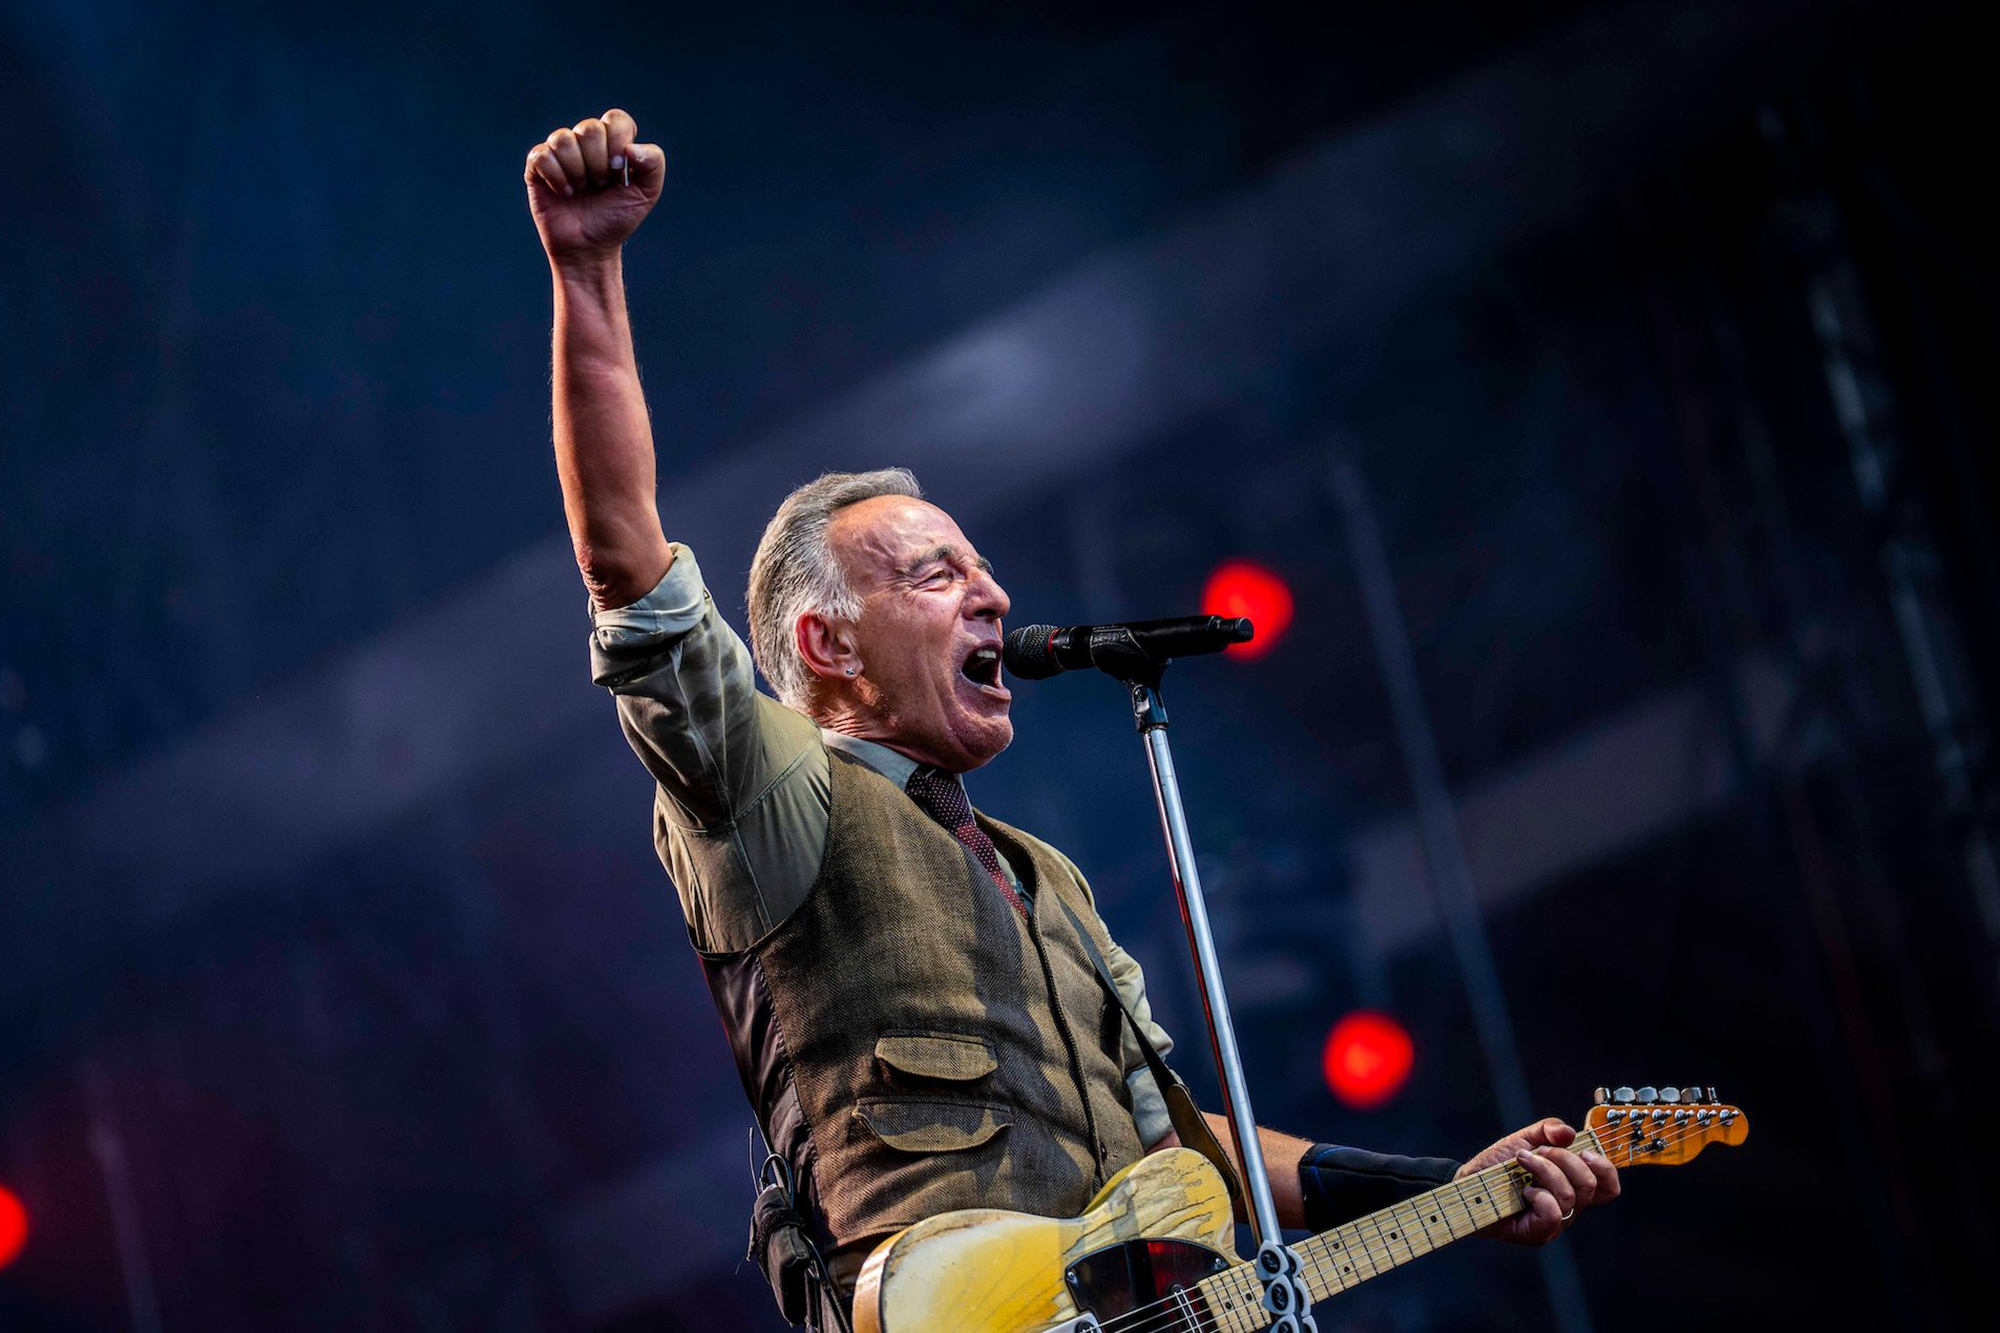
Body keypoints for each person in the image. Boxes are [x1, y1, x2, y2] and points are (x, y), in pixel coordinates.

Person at [524, 108, 1620, 1327]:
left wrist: (1450, 1187)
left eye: (983, 568)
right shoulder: (777, 794)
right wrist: (588, 271)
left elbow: (1185, 1144)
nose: (991, 591)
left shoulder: (1046, 878)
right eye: (934, 574)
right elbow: (625, 558)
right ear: (824, 644)